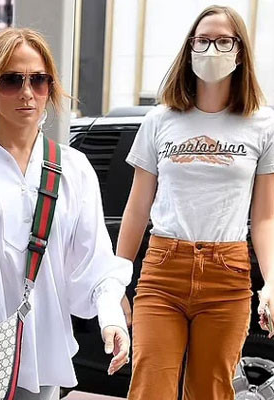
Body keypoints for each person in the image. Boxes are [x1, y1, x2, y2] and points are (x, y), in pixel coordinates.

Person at [0, 27, 132, 400]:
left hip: (44, 351)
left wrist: (111, 318)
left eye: (39, 80)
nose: (27, 92)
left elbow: (93, 262)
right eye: (11, 80)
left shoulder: (74, 168)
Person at [118, 6, 274, 399]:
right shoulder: (160, 119)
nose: (211, 49)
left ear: (240, 51)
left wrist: (272, 281)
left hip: (228, 275)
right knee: (150, 387)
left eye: (223, 41)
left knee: (211, 391)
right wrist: (116, 279)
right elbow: (137, 207)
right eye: (202, 41)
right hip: (163, 271)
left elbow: (264, 217)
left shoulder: (262, 124)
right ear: (189, 48)